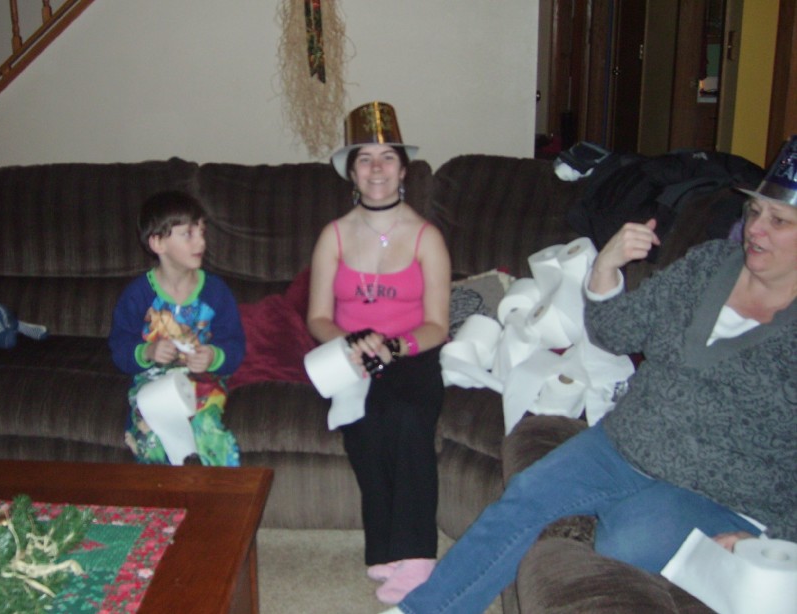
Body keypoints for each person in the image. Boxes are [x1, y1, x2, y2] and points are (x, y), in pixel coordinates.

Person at [388, 136, 797, 614]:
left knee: (625, 541)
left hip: (721, 490)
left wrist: (770, 541)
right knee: (527, 496)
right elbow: (613, 333)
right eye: (754, 211)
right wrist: (606, 267)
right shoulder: (708, 266)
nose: (755, 229)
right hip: (625, 442)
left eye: (779, 220)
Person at [306, 102, 452, 604]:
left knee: (408, 418)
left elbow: (438, 325)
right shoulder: (333, 235)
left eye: (387, 157)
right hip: (350, 357)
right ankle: (386, 549)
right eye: (364, 158)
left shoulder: (428, 238)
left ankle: (418, 555)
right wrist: (350, 342)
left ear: (404, 170)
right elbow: (317, 317)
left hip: (412, 353)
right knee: (365, 426)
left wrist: (396, 346)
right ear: (352, 172)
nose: (376, 168)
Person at [109, 190, 245, 466]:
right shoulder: (138, 295)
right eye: (188, 234)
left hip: (202, 382)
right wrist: (148, 351)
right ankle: (164, 494)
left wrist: (213, 356)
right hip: (153, 384)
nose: (201, 242)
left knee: (208, 434)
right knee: (151, 440)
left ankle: (221, 492)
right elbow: (119, 347)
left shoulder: (215, 292)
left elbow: (235, 344)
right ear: (157, 242)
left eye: (202, 231)